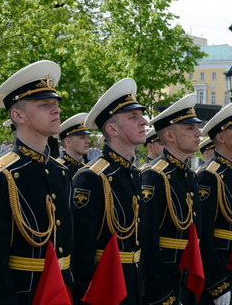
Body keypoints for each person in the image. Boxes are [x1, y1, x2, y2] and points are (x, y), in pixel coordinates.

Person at [0, 60, 73, 304]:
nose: (57, 110)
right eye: (45, 105)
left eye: (56, 104)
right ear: (17, 115)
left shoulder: (60, 171)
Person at [72, 78, 147, 304]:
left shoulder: (135, 173)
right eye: (133, 117)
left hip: (134, 286)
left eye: (140, 115)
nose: (143, 121)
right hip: (104, 291)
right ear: (112, 128)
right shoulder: (92, 177)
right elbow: (80, 252)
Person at [141, 93, 202, 304]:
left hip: (188, 279)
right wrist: (161, 294)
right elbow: (149, 241)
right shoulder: (154, 175)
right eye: (189, 128)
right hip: (165, 282)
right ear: (170, 135)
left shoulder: (189, 176)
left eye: (197, 127)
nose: (198, 133)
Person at [197, 101, 232, 305]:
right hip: (218, 268)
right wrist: (217, 282)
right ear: (220, 137)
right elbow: (205, 236)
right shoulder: (208, 176)